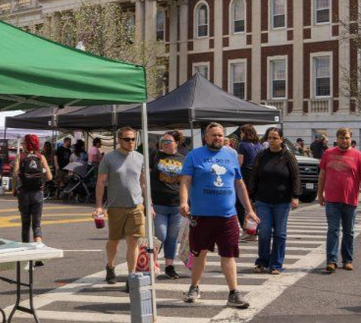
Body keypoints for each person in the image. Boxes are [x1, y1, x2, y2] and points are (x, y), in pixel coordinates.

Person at [179, 122, 257, 309]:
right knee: (199, 253)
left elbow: (239, 184)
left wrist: (249, 209)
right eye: (213, 135)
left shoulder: (231, 154)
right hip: (201, 215)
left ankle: (233, 293)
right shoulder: (194, 155)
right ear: (206, 137)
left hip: (227, 216)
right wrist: (183, 201)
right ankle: (194, 286)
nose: (217, 138)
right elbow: (185, 181)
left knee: (228, 254)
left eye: (220, 135)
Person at [95, 126, 146, 291]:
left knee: (133, 241)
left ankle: (131, 277)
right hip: (116, 207)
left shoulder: (140, 157)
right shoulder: (109, 158)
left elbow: (144, 183)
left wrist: (148, 204)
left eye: (133, 139)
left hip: (136, 206)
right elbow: (101, 182)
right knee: (114, 241)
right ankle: (110, 266)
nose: (131, 142)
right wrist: (99, 207)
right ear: (119, 140)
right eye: (127, 139)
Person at [317, 127, 361, 273]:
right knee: (333, 230)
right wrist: (320, 194)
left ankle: (347, 260)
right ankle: (331, 261)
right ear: (337, 139)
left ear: (350, 139)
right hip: (332, 199)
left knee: (349, 231)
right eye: (342, 138)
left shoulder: (358, 155)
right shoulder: (328, 154)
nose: (344, 140)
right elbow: (322, 174)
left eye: (347, 138)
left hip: (350, 199)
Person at [248, 127, 300, 275]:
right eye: (269, 138)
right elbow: (254, 176)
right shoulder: (261, 155)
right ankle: (262, 261)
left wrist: (295, 196)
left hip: (282, 201)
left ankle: (276, 264)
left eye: (275, 138)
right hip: (262, 200)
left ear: (281, 139)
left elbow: (295, 177)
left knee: (279, 233)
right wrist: (250, 197)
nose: (272, 141)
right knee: (264, 232)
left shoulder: (288, 157)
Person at [150, 132, 184, 279]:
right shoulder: (155, 156)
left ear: (176, 143)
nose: (164, 143)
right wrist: (148, 202)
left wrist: (186, 202)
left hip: (176, 204)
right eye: (162, 140)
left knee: (172, 237)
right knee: (161, 235)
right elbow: (146, 179)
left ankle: (169, 266)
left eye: (168, 141)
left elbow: (186, 182)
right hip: (158, 204)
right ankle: (154, 262)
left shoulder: (183, 159)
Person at [13, 134, 53, 244]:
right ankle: (38, 253)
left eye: (23, 143)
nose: (22, 145)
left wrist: (14, 189)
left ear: (27, 144)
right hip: (38, 193)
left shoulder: (20, 157)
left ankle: (26, 254)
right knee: (36, 224)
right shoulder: (41, 157)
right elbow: (50, 177)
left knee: (25, 224)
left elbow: (15, 175)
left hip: (23, 193)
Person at [236, 125, 262, 231]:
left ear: (245, 133)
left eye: (241, 132)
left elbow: (240, 162)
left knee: (240, 202)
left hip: (246, 174)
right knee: (254, 202)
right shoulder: (258, 145)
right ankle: (256, 228)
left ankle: (247, 228)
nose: (240, 134)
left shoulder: (242, 145)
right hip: (257, 175)